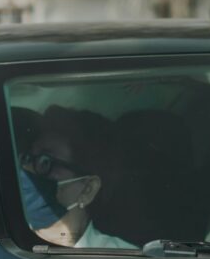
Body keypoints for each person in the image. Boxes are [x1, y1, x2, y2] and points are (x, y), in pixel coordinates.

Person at [16, 105, 136, 249]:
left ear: (87, 190)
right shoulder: (6, 241)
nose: (26, 170)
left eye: (45, 162)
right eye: (27, 159)